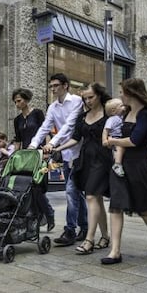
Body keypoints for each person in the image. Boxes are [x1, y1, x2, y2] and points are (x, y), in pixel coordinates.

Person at [103, 78, 147, 265]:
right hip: (121, 164)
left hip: (139, 166)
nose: (119, 95)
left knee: (143, 209)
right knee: (116, 206)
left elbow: (134, 140)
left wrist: (112, 141)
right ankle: (115, 251)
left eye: (122, 92)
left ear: (132, 93)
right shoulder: (125, 112)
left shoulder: (145, 115)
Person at [29, 73, 88, 246]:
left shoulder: (77, 101)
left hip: (80, 152)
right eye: (51, 86)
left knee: (71, 191)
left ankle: (70, 230)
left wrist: (52, 143)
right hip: (67, 154)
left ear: (66, 86)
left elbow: (69, 125)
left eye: (56, 85)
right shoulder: (53, 107)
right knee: (76, 192)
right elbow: (45, 127)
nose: (53, 89)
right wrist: (33, 145)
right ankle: (84, 227)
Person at [54, 82, 113, 254]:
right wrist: (57, 148)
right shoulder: (82, 117)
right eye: (85, 98)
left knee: (91, 196)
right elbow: (75, 138)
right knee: (97, 199)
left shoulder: (109, 115)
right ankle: (105, 236)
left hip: (102, 161)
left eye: (91, 97)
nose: (87, 101)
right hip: (85, 161)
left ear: (99, 95)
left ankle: (89, 239)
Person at [12, 88, 55, 231]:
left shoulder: (37, 113)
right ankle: (34, 218)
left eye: (19, 100)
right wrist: (14, 157)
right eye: (15, 101)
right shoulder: (17, 120)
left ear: (26, 99)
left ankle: (48, 214)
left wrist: (47, 150)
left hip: (40, 154)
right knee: (27, 187)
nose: (17, 103)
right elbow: (18, 141)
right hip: (25, 157)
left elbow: (46, 132)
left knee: (37, 187)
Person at [102, 98, 126, 176]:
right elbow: (106, 130)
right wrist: (104, 140)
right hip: (115, 137)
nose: (124, 107)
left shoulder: (121, 118)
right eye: (121, 106)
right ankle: (117, 164)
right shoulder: (112, 119)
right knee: (119, 148)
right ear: (113, 110)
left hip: (120, 137)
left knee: (121, 149)